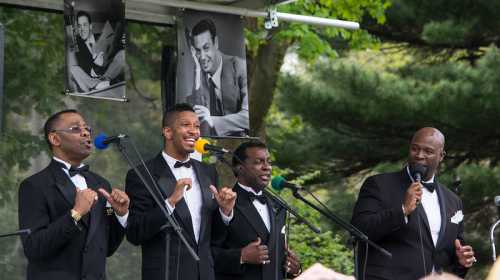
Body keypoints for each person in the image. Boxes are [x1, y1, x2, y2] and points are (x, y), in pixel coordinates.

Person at [125, 103, 237, 280]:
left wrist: (225, 212)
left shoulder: (208, 172)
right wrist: (169, 203)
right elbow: (135, 233)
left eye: (197, 126)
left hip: (205, 274)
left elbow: (214, 238)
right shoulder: (142, 174)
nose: (194, 131)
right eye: (186, 125)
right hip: (166, 274)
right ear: (168, 132)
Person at [351, 127, 476, 280]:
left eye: (428, 151)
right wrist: (402, 210)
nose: (419, 156)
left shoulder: (453, 201)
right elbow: (358, 229)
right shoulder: (379, 185)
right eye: (414, 149)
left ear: (441, 155)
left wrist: (462, 262)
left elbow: (451, 252)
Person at [18, 109, 129, 280]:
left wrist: (118, 214)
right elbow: (34, 248)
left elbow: (106, 247)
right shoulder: (34, 186)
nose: (85, 132)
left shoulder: (101, 184)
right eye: (75, 129)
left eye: (87, 128)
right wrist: (75, 213)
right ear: (55, 138)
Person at [211, 140, 301, 280]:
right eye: (259, 162)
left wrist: (293, 270)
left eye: (269, 162)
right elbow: (208, 254)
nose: (267, 167)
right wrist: (241, 256)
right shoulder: (223, 203)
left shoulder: (279, 206)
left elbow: (277, 254)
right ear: (240, 168)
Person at [185, 18, 249, 137]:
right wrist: (197, 70)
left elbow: (248, 117)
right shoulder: (200, 74)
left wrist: (212, 120)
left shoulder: (240, 67)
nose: (202, 57)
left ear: (216, 43)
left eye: (206, 48)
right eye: (198, 51)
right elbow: (192, 119)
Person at [70, 11, 125, 92]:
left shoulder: (103, 38)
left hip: (108, 73)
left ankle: (100, 84)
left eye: (85, 25)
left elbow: (116, 52)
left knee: (122, 54)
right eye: (79, 26)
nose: (82, 29)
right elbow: (84, 66)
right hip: (92, 78)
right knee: (74, 69)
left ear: (90, 26)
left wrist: (104, 61)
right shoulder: (78, 46)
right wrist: (96, 65)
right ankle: (98, 84)